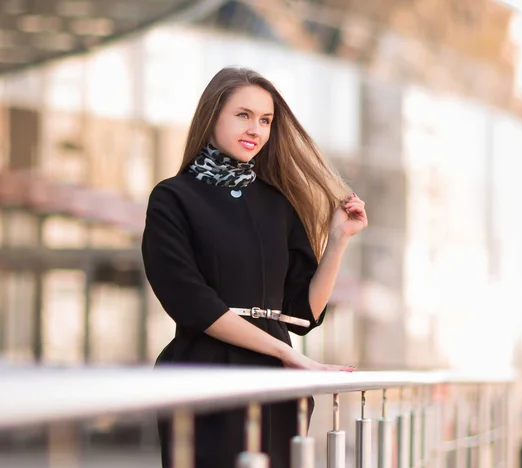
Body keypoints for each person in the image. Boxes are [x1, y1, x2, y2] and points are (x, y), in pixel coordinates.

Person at [141, 67, 368, 468]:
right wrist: (286, 353)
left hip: (277, 383)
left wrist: (338, 241)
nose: (256, 130)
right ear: (212, 116)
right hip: (203, 376)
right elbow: (191, 302)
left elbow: (302, 313)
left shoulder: (277, 203)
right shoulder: (172, 198)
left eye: (265, 120)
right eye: (243, 115)